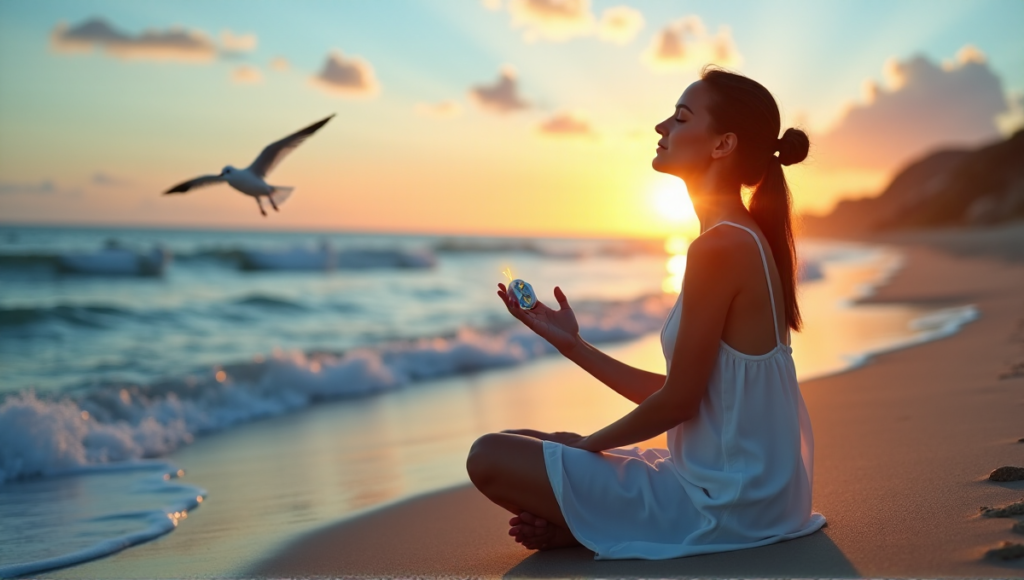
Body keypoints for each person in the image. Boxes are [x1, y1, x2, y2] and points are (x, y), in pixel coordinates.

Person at [466, 66, 826, 560]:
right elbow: (686, 394)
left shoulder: (720, 247)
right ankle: (588, 522)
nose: (661, 128)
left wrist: (587, 451)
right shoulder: (735, 238)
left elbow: (677, 404)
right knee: (531, 441)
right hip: (748, 491)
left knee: (489, 455)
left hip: (726, 505)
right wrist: (571, 344)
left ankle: (591, 524)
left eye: (680, 117)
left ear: (722, 145)